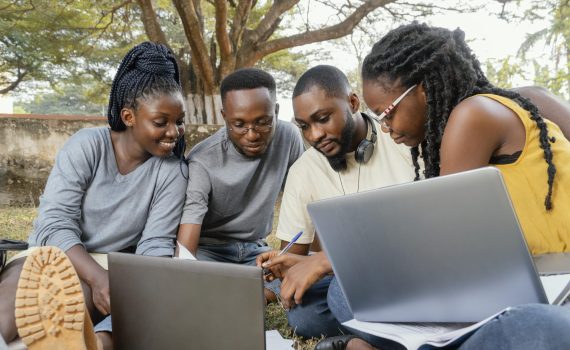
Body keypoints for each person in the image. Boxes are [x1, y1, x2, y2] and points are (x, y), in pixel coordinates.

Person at [307, 23, 570, 350]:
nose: (386, 129)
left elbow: (437, 243)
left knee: (543, 329)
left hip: (548, 294)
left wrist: (328, 259)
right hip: (518, 285)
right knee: (344, 293)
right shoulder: (529, 97)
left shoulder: (471, 115)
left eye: (387, 113)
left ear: (423, 88)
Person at [0, 41, 188, 350]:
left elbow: (155, 245)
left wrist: (128, 287)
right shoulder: (88, 145)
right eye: (161, 122)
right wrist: (97, 277)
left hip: (115, 271)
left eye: (179, 121)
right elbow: (54, 224)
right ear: (129, 116)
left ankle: (88, 341)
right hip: (54, 255)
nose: (173, 132)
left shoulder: (171, 171)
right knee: (16, 306)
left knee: (69, 306)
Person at [256, 65, 419, 338]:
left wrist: (324, 261)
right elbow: (294, 257)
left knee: (341, 296)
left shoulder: (403, 139)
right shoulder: (303, 171)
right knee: (304, 315)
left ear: (353, 103)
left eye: (322, 118)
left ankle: (365, 338)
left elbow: (422, 235)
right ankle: (377, 331)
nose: (314, 135)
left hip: (409, 268)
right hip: (349, 276)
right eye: (304, 126)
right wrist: (291, 265)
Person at [176, 68, 304, 302]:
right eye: (239, 124)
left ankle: (246, 294)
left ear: (275, 111)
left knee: (304, 278)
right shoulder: (202, 159)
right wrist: (184, 275)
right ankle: (248, 294)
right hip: (210, 251)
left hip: (257, 251)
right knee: (190, 282)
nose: (252, 135)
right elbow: (188, 237)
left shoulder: (289, 137)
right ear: (225, 117)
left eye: (263, 122)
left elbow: (302, 203)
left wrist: (290, 263)